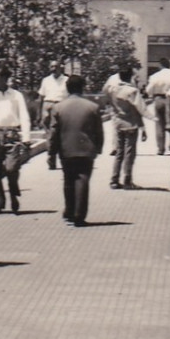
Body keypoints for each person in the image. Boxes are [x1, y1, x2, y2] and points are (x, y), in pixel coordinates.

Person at [45, 74, 103, 226]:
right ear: (82, 88)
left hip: (66, 149)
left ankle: (69, 211)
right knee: (83, 179)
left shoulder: (58, 107)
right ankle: (79, 215)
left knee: (68, 180)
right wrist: (98, 148)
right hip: (86, 149)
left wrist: (51, 152)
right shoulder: (93, 107)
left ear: (67, 88)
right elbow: (99, 131)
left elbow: (53, 132)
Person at [0, 65, 32, 214]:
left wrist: (26, 138)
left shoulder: (16, 95)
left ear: (4, 78)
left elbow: (24, 116)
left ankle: (14, 193)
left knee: (11, 168)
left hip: (11, 135)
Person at [108, 65, 145, 189]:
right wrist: (143, 126)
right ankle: (127, 180)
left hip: (118, 123)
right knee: (129, 153)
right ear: (130, 77)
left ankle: (114, 179)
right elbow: (139, 110)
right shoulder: (133, 91)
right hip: (130, 125)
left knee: (119, 153)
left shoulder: (113, 90)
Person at [144, 62, 170, 155]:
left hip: (158, 98)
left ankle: (160, 148)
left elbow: (148, 90)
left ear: (161, 66)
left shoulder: (155, 76)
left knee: (159, 124)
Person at [37, 62, 69, 131]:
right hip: (47, 105)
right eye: (52, 67)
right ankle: (49, 141)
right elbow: (41, 97)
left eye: (56, 66)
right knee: (48, 128)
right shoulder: (46, 80)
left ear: (60, 68)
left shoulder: (66, 80)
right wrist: (39, 114)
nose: (54, 69)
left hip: (61, 105)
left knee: (60, 128)